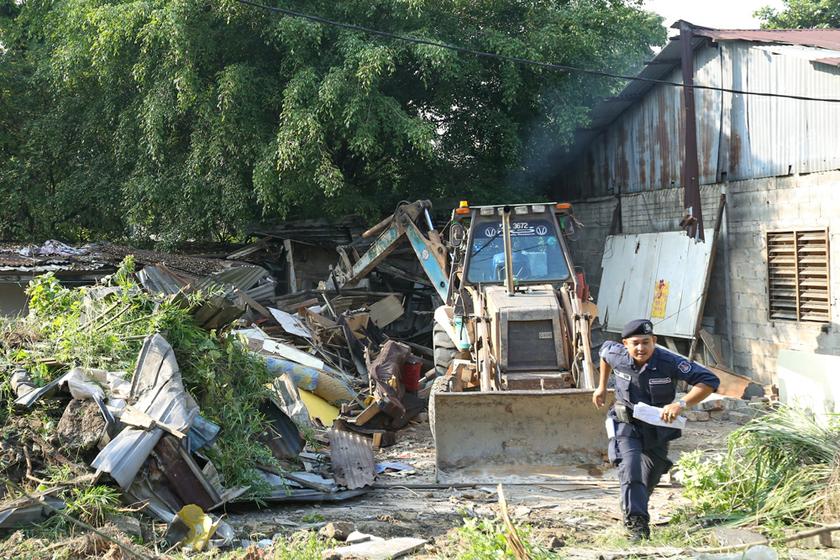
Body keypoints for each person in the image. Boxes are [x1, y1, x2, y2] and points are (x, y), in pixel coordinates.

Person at [592, 319, 719, 541]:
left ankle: (635, 501)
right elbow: (604, 354)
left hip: (657, 428)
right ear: (625, 344)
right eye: (635, 343)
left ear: (654, 341)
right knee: (630, 469)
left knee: (649, 475)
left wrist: (681, 404)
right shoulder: (617, 354)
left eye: (646, 342)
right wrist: (601, 386)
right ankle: (637, 527)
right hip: (626, 423)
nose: (641, 348)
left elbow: (709, 380)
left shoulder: (669, 361)